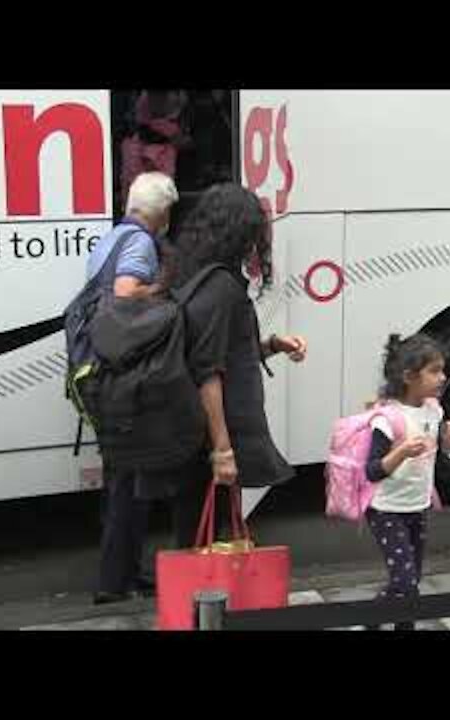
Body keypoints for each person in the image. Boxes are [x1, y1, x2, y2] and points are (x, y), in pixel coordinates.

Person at [137, 183, 308, 550]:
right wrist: (223, 451)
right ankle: (205, 608)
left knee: (198, 537)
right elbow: (208, 371)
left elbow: (219, 351)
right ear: (241, 232)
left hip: (188, 435)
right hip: (206, 441)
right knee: (209, 544)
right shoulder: (221, 288)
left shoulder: (190, 276)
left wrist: (273, 345)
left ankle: (201, 606)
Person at [86, 172, 179, 605]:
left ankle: (124, 573)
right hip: (122, 379)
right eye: (169, 213)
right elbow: (125, 294)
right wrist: (164, 289)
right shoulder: (141, 243)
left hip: (100, 373)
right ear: (160, 211)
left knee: (121, 479)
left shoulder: (113, 237)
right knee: (129, 481)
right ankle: (114, 582)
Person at [362, 333, 450, 630]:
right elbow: (371, 471)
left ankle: (382, 620)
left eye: (442, 369)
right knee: (405, 582)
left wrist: (449, 440)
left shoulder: (434, 410)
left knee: (411, 581)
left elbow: (440, 450)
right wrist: (401, 453)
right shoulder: (387, 418)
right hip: (385, 509)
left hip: (417, 505)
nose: (442, 377)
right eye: (434, 370)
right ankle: (371, 617)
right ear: (409, 376)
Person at [120, 90, 190, 194]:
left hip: (165, 151)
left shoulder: (179, 99)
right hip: (143, 150)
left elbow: (182, 138)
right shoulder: (144, 104)